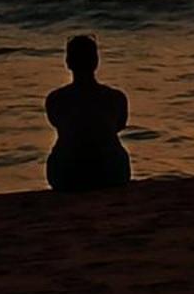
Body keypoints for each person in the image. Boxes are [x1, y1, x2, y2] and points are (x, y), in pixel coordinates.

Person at [45, 34, 132, 192]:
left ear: (68, 63)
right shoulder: (117, 98)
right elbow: (119, 125)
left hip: (67, 175)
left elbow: (58, 123)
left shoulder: (55, 99)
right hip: (112, 174)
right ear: (96, 62)